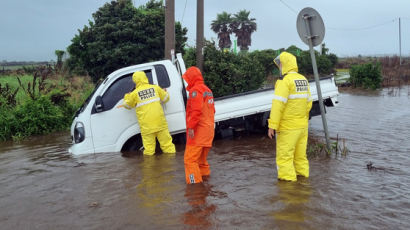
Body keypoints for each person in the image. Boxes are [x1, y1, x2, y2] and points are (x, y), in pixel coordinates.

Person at [268, 52, 312, 182]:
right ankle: (303, 185)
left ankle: (289, 193)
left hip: (288, 128)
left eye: (280, 64)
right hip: (303, 127)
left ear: (284, 64)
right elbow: (309, 103)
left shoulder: (284, 81)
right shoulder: (303, 79)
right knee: (300, 158)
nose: (279, 67)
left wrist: (272, 126)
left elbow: (277, 105)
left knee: (284, 159)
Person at [122, 71, 176, 155]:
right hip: (160, 123)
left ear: (135, 81)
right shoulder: (155, 88)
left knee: (149, 151)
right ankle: (173, 166)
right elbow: (166, 98)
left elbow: (127, 105)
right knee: (168, 146)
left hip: (147, 127)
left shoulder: (134, 93)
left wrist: (127, 96)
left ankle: (149, 167)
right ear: (145, 78)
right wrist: (165, 91)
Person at [182, 66, 215, 184]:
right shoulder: (207, 90)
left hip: (198, 132)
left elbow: (196, 111)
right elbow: (212, 111)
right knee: (201, 161)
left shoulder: (195, 91)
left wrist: (191, 127)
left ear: (192, 78)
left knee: (190, 160)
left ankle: (194, 187)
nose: (186, 81)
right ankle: (205, 182)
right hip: (208, 131)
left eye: (187, 79)